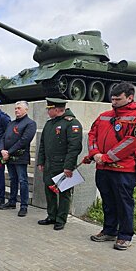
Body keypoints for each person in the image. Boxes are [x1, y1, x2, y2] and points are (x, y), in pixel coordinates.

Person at [88, 82, 136, 250]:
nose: (113, 102)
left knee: (124, 203)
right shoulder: (104, 116)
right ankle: (109, 230)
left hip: (124, 170)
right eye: (112, 98)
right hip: (103, 168)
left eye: (118, 99)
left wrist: (106, 157)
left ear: (130, 97)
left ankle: (125, 235)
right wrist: (94, 154)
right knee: (108, 202)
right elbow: (92, 134)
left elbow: (132, 142)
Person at [37, 98, 83, 230]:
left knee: (64, 193)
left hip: (63, 165)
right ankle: (51, 216)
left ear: (56, 109)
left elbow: (74, 147)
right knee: (49, 191)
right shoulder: (49, 124)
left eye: (49, 109)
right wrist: (41, 161)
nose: (47, 111)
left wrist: (69, 167)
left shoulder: (72, 123)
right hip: (49, 164)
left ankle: (61, 219)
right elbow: (43, 145)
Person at [0, 101, 36, 217]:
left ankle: (24, 206)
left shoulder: (30, 123)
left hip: (20, 157)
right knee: (12, 179)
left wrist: (9, 152)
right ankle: (12, 201)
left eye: (19, 108)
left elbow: (24, 140)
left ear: (26, 110)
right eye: (15, 108)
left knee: (22, 181)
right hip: (8, 157)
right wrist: (2, 150)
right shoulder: (11, 123)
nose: (16, 110)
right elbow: (3, 138)